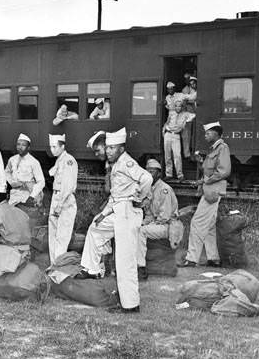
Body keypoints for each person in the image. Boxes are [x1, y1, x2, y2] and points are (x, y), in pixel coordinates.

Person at [79, 128, 152, 313]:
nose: (109, 151)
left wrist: (140, 199)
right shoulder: (115, 164)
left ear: (121, 149)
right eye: (108, 148)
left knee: (124, 260)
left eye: (113, 148)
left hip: (127, 213)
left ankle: (130, 305)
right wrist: (104, 214)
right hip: (118, 210)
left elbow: (147, 178)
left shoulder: (126, 162)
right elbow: (116, 195)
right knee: (96, 228)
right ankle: (92, 269)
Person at [179, 121, 231, 268]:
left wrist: (206, 180)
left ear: (216, 133)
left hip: (213, 191)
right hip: (210, 189)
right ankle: (214, 259)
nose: (206, 135)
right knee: (209, 225)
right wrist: (201, 181)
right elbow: (211, 171)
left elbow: (224, 171)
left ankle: (192, 259)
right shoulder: (214, 149)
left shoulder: (222, 148)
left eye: (208, 133)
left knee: (197, 222)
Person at [137, 159, 178, 280]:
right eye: (147, 171)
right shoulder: (150, 188)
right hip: (158, 223)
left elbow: (164, 216)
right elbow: (149, 214)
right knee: (136, 228)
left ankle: (141, 268)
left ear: (159, 174)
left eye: (152, 171)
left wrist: (146, 226)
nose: (149, 174)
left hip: (169, 226)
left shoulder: (164, 189)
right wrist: (142, 223)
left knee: (141, 232)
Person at [47, 134, 78, 265]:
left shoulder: (69, 160)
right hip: (56, 197)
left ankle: (58, 268)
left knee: (62, 235)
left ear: (62, 146)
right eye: (51, 147)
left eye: (54, 147)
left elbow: (68, 185)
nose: (52, 150)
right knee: (52, 233)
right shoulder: (59, 160)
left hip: (65, 200)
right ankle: (54, 265)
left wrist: (59, 204)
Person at [5, 134, 45, 207]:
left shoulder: (34, 162)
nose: (20, 147)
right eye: (18, 144)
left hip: (28, 195)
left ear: (28, 147)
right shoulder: (12, 159)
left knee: (27, 216)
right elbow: (7, 172)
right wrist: (12, 183)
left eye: (23, 145)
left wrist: (32, 197)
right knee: (12, 216)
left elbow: (41, 182)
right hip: (14, 195)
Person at [163, 100, 195, 180]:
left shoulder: (185, 114)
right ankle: (168, 174)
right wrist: (164, 131)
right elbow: (167, 122)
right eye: (176, 106)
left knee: (177, 156)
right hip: (168, 134)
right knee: (168, 156)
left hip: (176, 135)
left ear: (182, 107)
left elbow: (194, 115)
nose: (178, 107)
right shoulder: (171, 113)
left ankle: (180, 175)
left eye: (179, 106)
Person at [87, 131, 111, 195]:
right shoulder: (108, 163)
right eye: (95, 151)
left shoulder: (121, 163)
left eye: (98, 150)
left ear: (106, 147)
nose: (96, 154)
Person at [180, 76, 198, 158]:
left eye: (193, 83)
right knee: (186, 135)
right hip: (188, 115)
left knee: (195, 135)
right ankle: (187, 154)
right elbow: (185, 100)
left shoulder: (197, 90)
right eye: (191, 83)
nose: (192, 84)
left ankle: (195, 153)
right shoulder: (185, 89)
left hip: (196, 115)